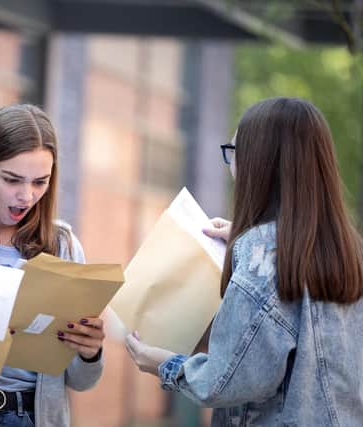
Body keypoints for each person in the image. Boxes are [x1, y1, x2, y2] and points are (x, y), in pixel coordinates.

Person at [125, 97, 363, 426]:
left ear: (260, 163)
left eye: (234, 152)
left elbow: (226, 380)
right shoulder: (349, 251)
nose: (232, 165)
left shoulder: (261, 255)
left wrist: (164, 365)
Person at [0, 104, 104, 427]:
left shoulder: (63, 246)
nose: (26, 196)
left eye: (40, 182)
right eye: (12, 179)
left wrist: (89, 352)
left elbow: (81, 381)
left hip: (31, 417)